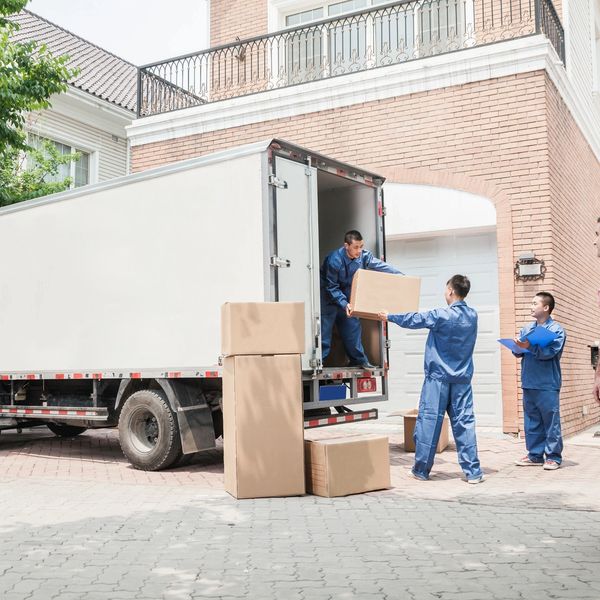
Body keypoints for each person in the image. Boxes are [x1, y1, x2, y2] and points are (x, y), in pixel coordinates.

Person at [378, 274, 484, 484]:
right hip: (462, 380)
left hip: (438, 379)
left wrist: (389, 316)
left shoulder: (441, 315)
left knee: (429, 423)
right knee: (465, 424)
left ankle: (421, 470)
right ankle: (474, 472)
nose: (445, 293)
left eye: (446, 289)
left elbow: (415, 320)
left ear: (451, 291)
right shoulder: (472, 316)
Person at [320, 230, 402, 370]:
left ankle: (358, 360)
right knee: (325, 330)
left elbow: (380, 265)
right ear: (346, 246)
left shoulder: (363, 256)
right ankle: (320, 361)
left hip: (347, 294)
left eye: (361, 246)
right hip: (329, 296)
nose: (359, 250)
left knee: (352, 327)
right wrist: (344, 303)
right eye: (356, 247)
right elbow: (331, 286)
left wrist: (399, 275)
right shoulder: (335, 260)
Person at [513, 292, 566, 470]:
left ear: (546, 307)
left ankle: (553, 456)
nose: (531, 306)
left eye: (534, 303)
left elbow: (550, 353)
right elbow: (518, 352)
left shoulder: (557, 331)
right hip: (529, 382)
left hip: (547, 384)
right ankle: (535, 455)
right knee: (532, 421)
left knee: (550, 421)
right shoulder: (527, 329)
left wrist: (530, 347)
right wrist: (518, 347)